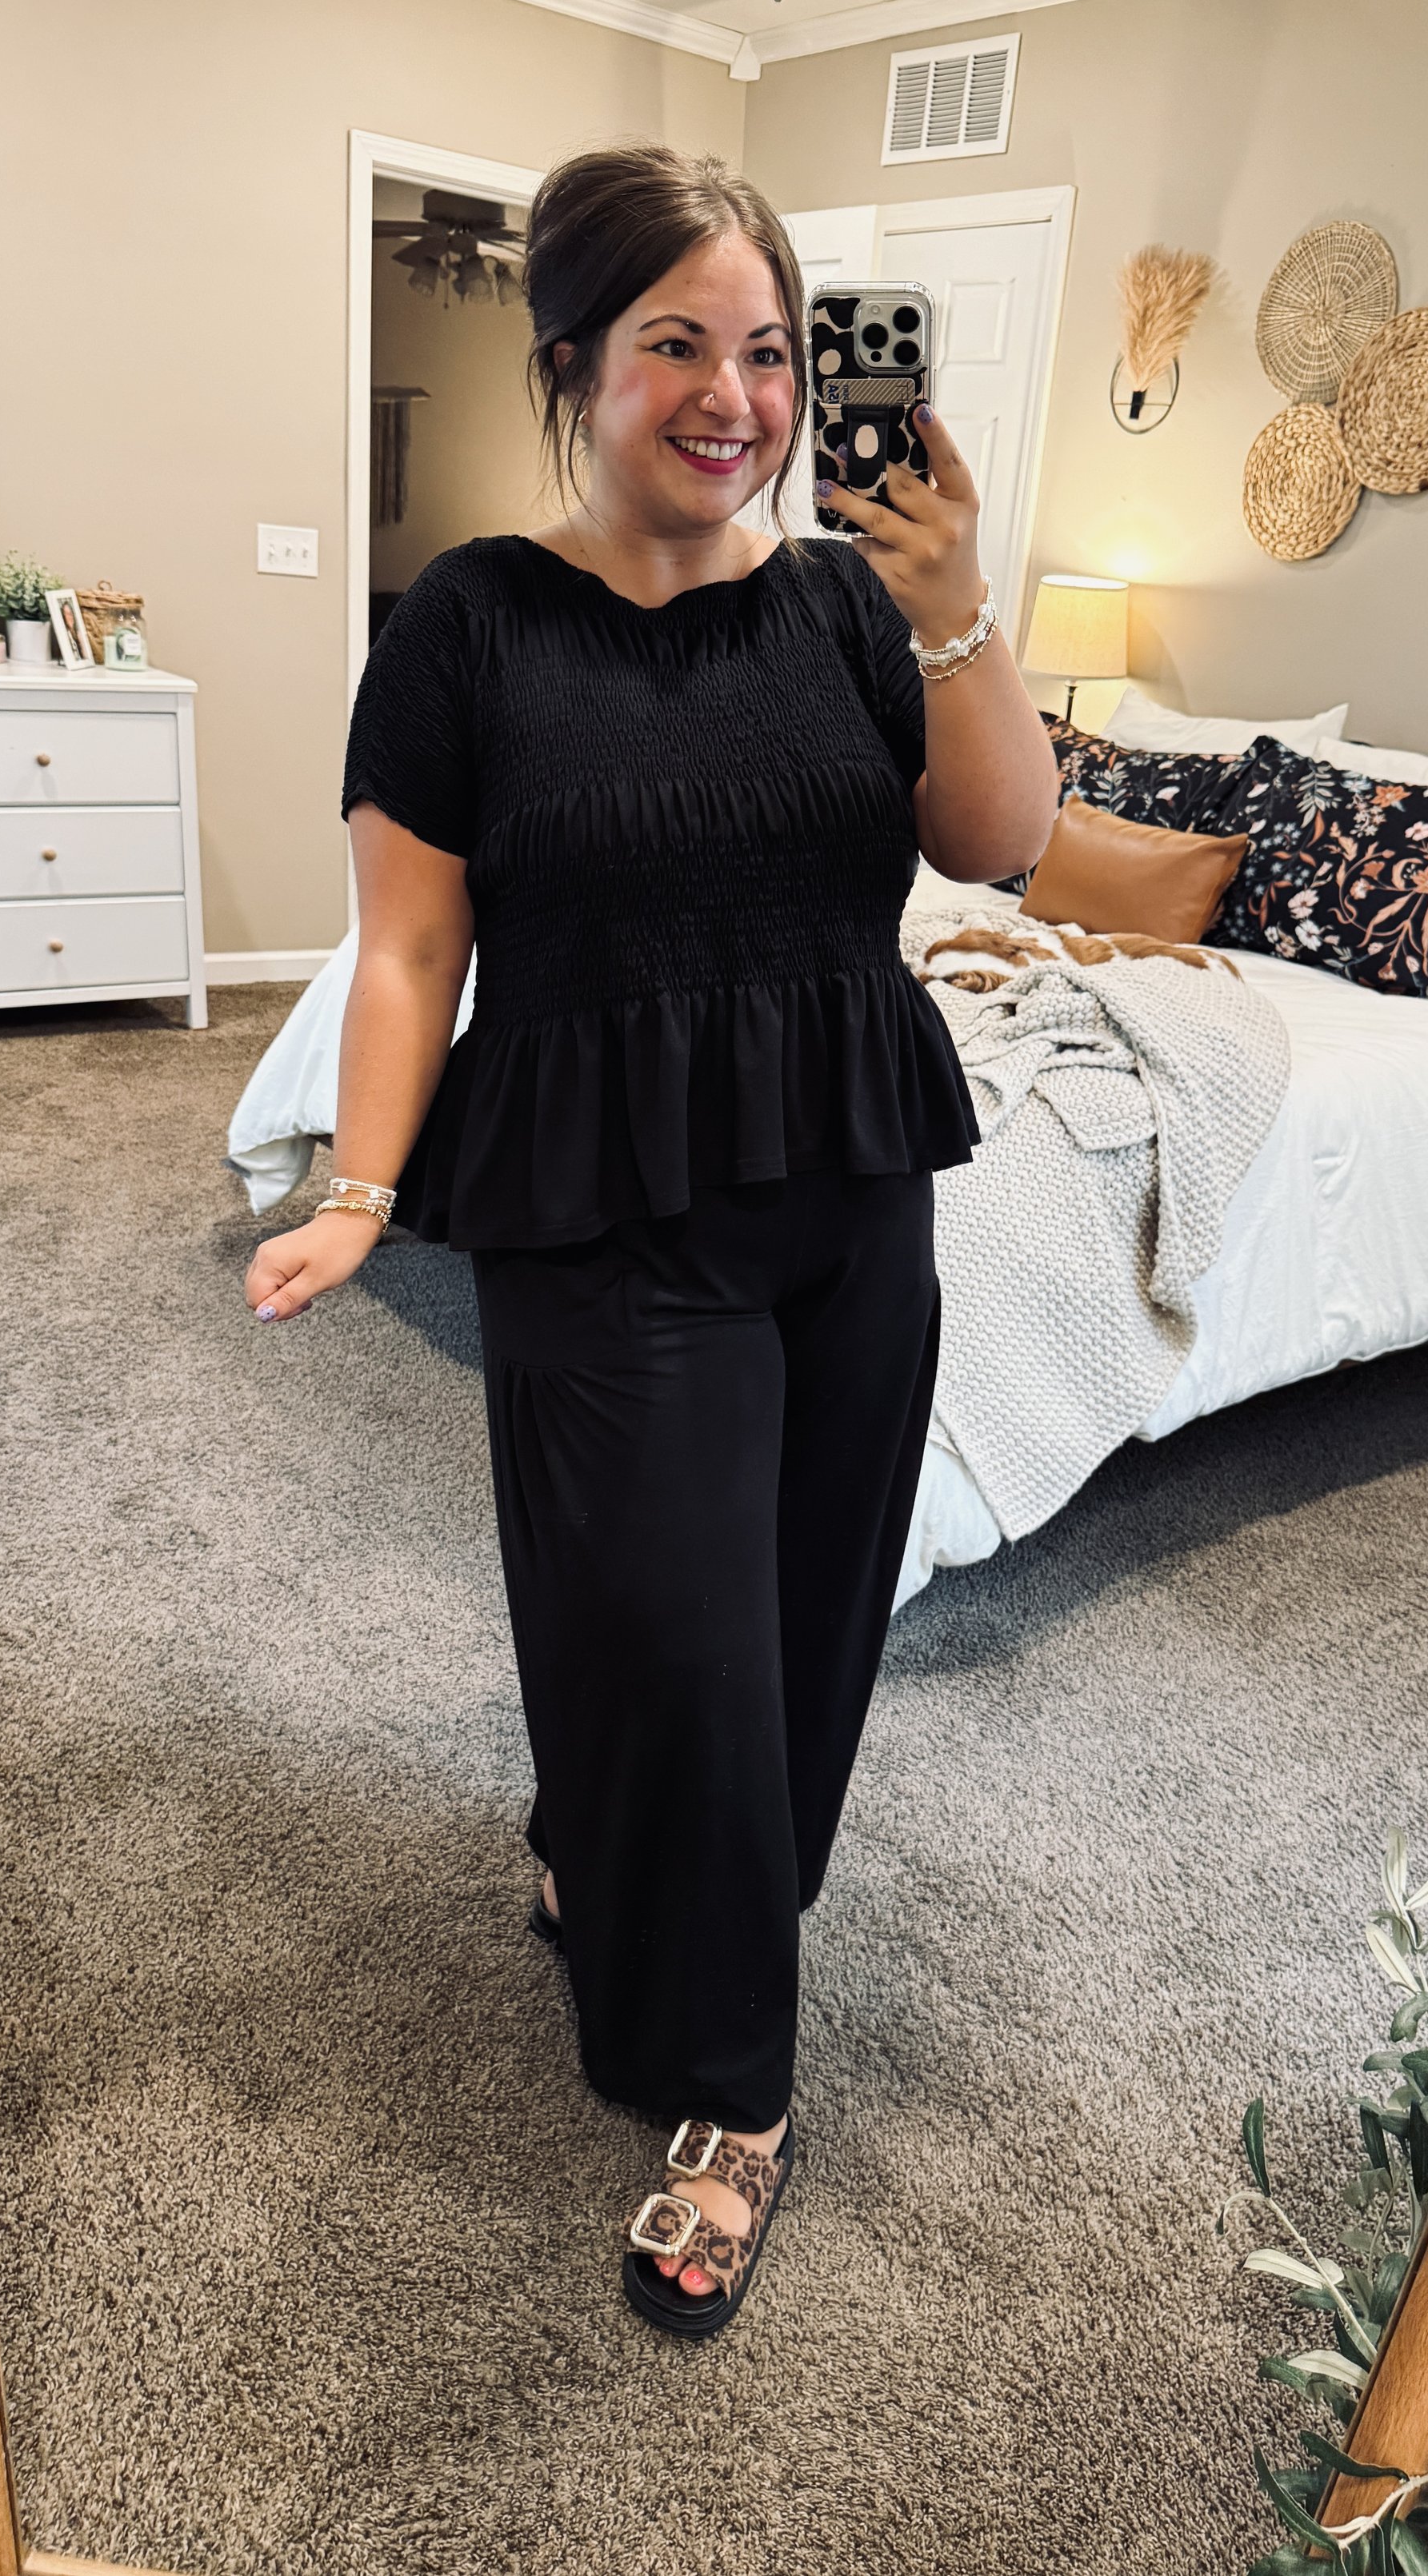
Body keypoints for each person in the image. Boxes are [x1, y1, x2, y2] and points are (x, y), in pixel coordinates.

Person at [243, 145, 1055, 2335]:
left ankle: (625, 1873)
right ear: (574, 360)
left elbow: (1000, 843)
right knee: (665, 1633)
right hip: (599, 1209)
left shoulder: (855, 610)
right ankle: (731, 2095)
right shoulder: (466, 626)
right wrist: (358, 1188)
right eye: (678, 344)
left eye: (771, 352)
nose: (737, 397)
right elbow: (406, 949)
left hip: (847, 1190)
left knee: (799, 1627)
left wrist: (963, 600)